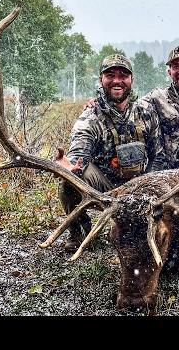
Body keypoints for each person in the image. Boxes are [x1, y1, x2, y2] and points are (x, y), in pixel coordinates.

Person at [56, 53, 166, 252]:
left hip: (142, 187)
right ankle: (79, 229)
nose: (117, 81)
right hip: (105, 189)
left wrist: (148, 186)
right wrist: (71, 166)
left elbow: (159, 155)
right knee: (68, 182)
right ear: (101, 80)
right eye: (110, 75)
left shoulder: (146, 112)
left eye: (123, 75)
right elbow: (79, 152)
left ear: (131, 80)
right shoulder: (90, 118)